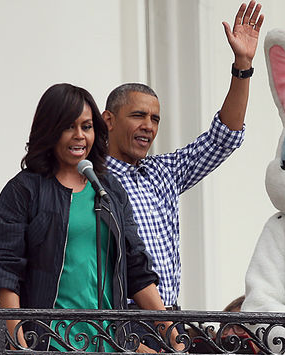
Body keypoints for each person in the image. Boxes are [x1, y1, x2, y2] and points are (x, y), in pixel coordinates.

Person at [0, 83, 181, 355]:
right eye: (69, 127)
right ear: (49, 130)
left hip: (111, 346)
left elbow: (137, 269)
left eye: (86, 127)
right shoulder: (24, 190)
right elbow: (6, 273)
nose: (79, 136)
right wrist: (21, 350)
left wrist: (172, 333)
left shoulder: (108, 190)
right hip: (53, 346)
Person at [102, 1, 264, 308]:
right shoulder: (90, 180)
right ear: (108, 120)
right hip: (121, 321)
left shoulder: (162, 171)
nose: (148, 126)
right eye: (138, 116)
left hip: (169, 316)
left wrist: (242, 66)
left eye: (155, 119)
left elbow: (223, 139)